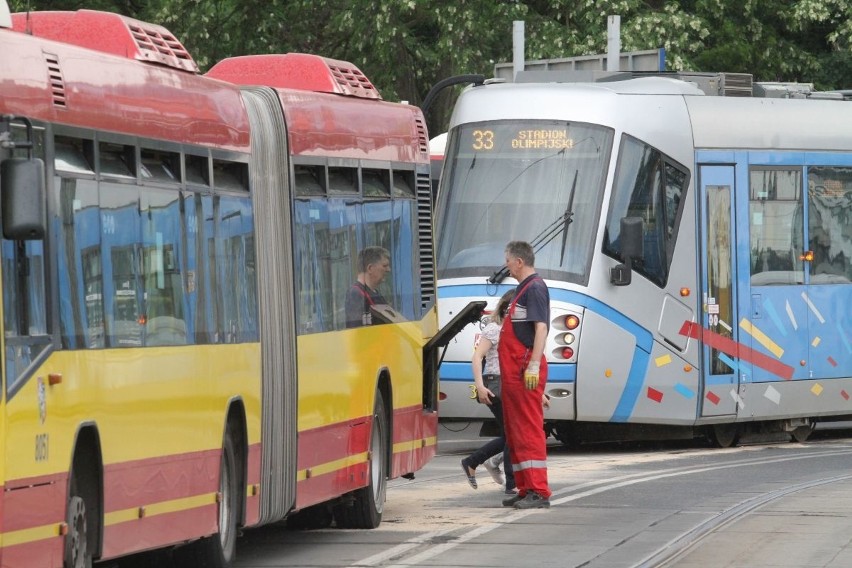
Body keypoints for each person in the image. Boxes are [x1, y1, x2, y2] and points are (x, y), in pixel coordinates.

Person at [498, 240, 552, 510]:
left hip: (524, 370)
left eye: (507, 260)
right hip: (514, 371)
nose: (505, 265)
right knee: (516, 430)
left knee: (529, 429)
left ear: (519, 262)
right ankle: (525, 487)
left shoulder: (535, 289)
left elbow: (541, 329)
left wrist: (532, 365)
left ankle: (539, 491)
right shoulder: (522, 289)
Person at [460, 289, 516, 494]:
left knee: (511, 434)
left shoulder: (515, 330)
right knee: (513, 434)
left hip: (509, 384)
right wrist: (479, 386)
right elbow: (477, 357)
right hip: (495, 385)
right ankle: (511, 484)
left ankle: (473, 462)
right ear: (506, 308)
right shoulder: (494, 329)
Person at [345, 246, 391, 328]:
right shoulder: (355, 294)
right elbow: (357, 331)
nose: (388, 270)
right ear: (370, 268)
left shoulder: (375, 293)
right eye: (385, 266)